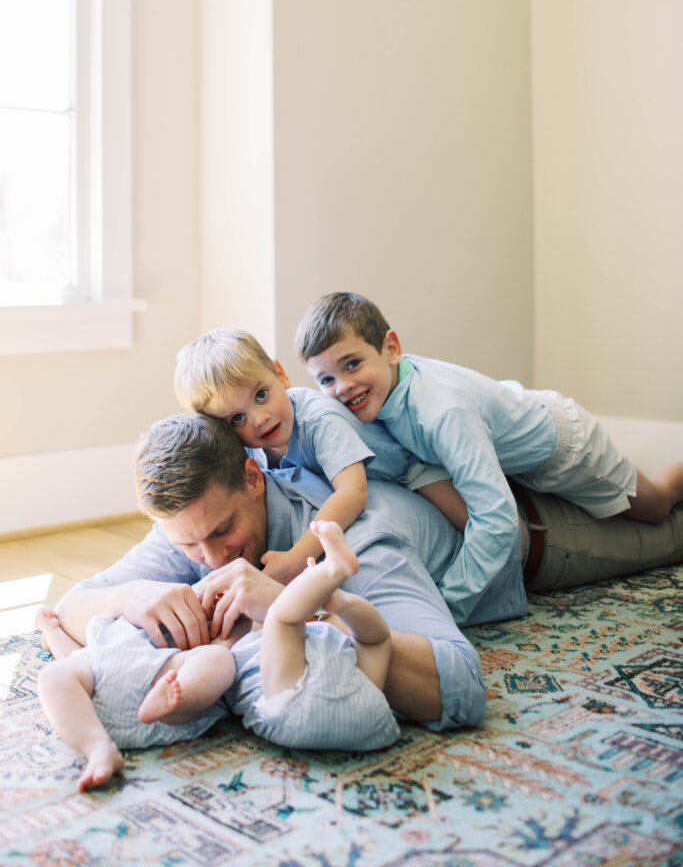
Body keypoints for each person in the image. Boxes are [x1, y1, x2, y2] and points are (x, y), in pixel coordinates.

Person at [54, 413, 487, 731]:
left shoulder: (355, 538)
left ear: (253, 478)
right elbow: (71, 605)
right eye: (188, 545)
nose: (210, 558)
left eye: (224, 530)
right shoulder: (195, 527)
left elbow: (461, 686)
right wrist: (129, 597)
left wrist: (294, 612)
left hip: (542, 545)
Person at [294, 291, 683, 624]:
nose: (343, 386)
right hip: (521, 453)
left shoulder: (441, 411)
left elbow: (498, 521)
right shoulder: (388, 395)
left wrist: (448, 605)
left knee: (654, 504)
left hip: (568, 450)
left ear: (391, 348)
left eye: (352, 364)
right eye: (326, 379)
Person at [36, 520, 400, 792]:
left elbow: (280, 620)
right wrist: (53, 631)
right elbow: (75, 660)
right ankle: (98, 748)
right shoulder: (111, 638)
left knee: (234, 653)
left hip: (199, 690)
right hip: (371, 715)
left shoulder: (224, 651)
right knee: (56, 675)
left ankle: (174, 707)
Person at [173, 328, 468, 585]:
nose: (259, 419)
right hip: (383, 486)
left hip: (412, 467)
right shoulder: (248, 445)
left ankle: (514, 564)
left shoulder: (318, 420)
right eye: (237, 418)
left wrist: (295, 559)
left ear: (281, 375)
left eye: (261, 395)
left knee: (474, 524)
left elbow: (353, 493)